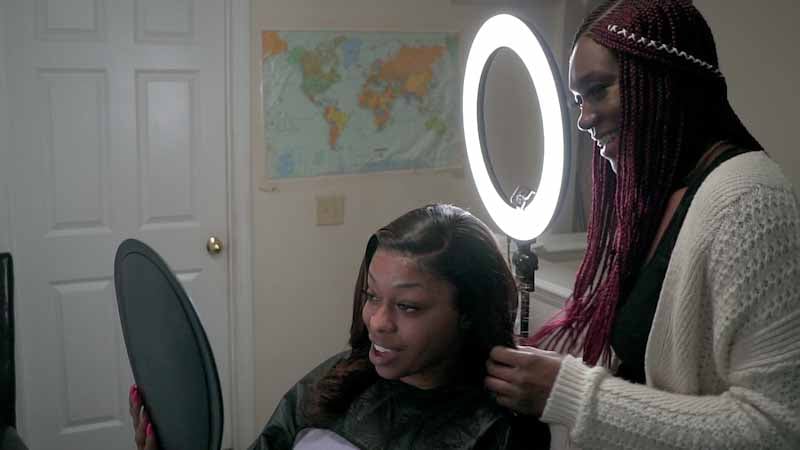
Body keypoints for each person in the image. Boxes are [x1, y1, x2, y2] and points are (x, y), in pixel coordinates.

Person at [484, 0, 800, 448]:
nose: (584, 119)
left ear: (663, 81)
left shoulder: (748, 200)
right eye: (578, 100)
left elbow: (777, 428)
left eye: (599, 90)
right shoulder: (650, 196)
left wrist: (569, 394)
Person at [129, 204, 549, 449]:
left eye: (407, 306)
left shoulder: (499, 432)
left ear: (469, 311)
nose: (378, 323)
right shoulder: (337, 379)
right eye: (371, 296)